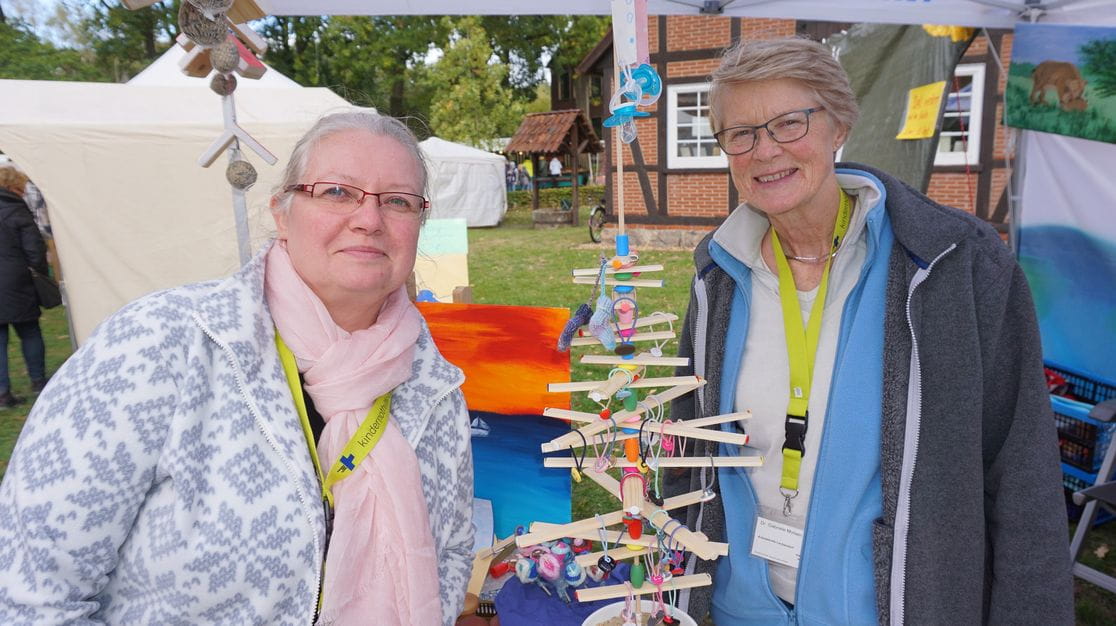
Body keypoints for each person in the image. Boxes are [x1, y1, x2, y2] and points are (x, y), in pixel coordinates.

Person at [0, 110, 475, 625]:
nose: (369, 219)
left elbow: (449, 553)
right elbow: (30, 593)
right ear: (282, 212)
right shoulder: (158, 344)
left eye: (398, 201)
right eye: (338, 191)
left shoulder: (433, 384)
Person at [665, 38, 1072, 624]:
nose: (765, 151)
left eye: (789, 123)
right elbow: (687, 444)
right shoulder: (720, 274)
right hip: (738, 605)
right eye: (741, 134)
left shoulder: (958, 267)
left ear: (838, 126)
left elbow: (1023, 474)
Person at [0, 166, 50, 407]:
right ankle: (39, 381)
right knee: (30, 332)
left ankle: (2, 393)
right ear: (13, 187)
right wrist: (39, 273)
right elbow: (34, 250)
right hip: (16, 280)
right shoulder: (17, 210)